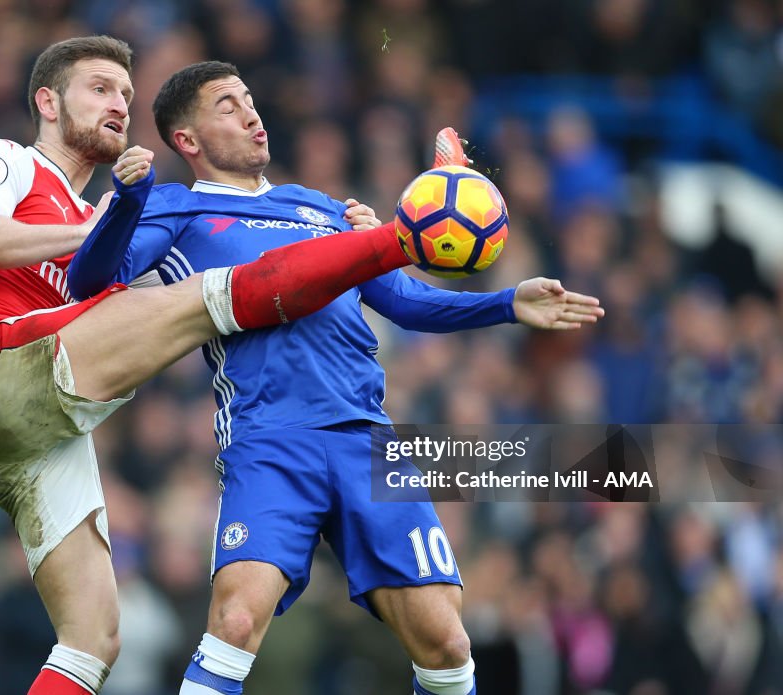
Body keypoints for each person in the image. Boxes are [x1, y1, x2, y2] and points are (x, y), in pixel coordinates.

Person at [0, 37, 493, 695]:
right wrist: (378, 243)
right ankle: (398, 235)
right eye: (100, 88)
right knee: (215, 294)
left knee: (93, 640)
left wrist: (342, 245)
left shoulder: (111, 221)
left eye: (125, 95)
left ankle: (383, 241)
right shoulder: (10, 162)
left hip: (41, 432)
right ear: (47, 101)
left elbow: (131, 293)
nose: (118, 104)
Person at [67, 61, 604, 695]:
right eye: (227, 107)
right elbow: (87, 282)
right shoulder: (173, 210)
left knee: (448, 641)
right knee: (236, 622)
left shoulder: (319, 208)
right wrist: (127, 201)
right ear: (187, 140)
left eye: (249, 99)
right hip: (270, 439)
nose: (251, 114)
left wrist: (508, 302)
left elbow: (403, 302)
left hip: (367, 440)